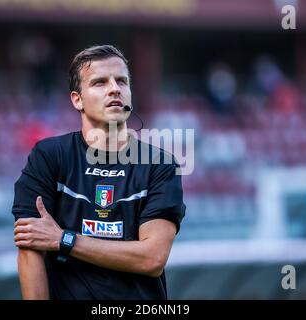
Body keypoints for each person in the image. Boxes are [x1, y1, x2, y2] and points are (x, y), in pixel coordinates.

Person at [12, 45, 186, 300]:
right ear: (77, 99)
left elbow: (152, 258)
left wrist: (63, 239)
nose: (114, 88)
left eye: (122, 81)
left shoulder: (160, 164)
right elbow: (30, 247)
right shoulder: (48, 157)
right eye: (100, 82)